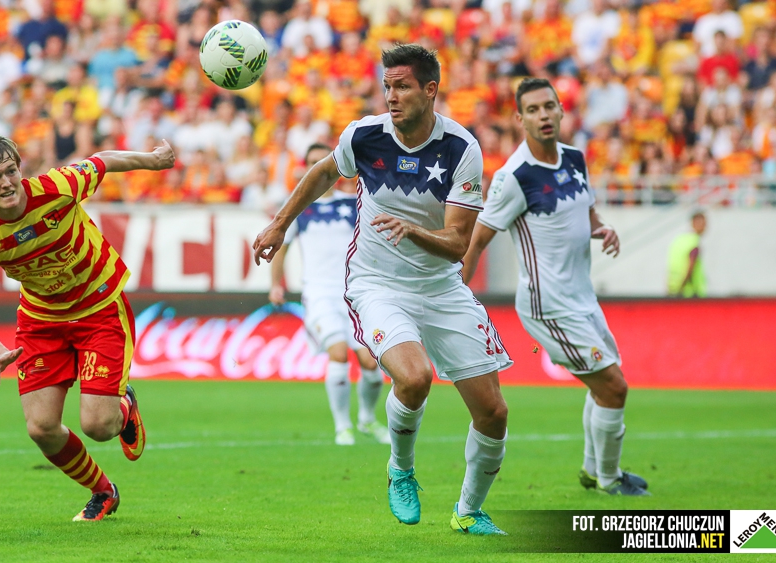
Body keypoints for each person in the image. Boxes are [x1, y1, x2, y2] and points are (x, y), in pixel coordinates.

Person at [253, 44, 512, 535]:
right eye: (387, 86)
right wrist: (280, 224)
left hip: (440, 286)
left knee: (493, 411)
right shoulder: (364, 135)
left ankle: (468, 511)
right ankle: (401, 469)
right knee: (414, 378)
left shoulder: (462, 149)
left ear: (430, 90)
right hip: (377, 283)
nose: (391, 96)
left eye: (403, 87)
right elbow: (324, 172)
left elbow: (458, 244)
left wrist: (413, 230)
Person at [0, 133, 175, 520]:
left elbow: (103, 160)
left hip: (99, 308)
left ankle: (125, 406)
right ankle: (103, 491)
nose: (6, 183)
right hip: (42, 322)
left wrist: (153, 160)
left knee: (99, 426)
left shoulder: (57, 187)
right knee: (41, 427)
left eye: (11, 171)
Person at [461, 77, 649, 496]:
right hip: (548, 305)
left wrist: (602, 228)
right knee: (613, 386)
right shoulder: (514, 177)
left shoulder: (575, 159)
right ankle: (609, 478)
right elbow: (478, 240)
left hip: (582, 296)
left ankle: (593, 470)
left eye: (549, 106)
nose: (543, 115)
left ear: (561, 110)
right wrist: (455, 296)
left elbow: (587, 210)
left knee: (604, 385)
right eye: (533, 109)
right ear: (520, 119)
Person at [269, 143, 390, 446]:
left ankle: (366, 418)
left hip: (355, 295)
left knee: (371, 363)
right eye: (311, 162)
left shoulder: (354, 204)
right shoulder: (297, 207)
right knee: (338, 353)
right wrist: (276, 284)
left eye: (321, 162)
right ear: (304, 168)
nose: (317, 168)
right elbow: (281, 248)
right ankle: (342, 427)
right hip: (319, 293)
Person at [667, 211, 707, 297]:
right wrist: (681, 287)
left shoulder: (678, 240)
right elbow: (690, 267)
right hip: (689, 291)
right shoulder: (694, 243)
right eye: (704, 224)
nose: (705, 227)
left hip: (673, 287)